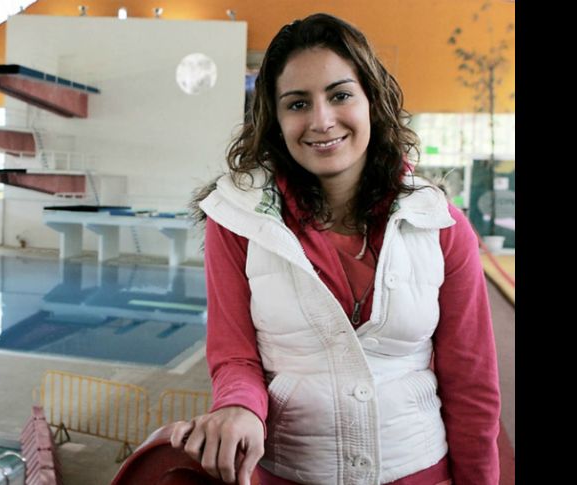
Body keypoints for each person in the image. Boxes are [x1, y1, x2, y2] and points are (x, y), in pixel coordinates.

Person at [170, 12, 501, 485]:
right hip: (291, 473)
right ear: (275, 119)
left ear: (372, 101)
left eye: (340, 95)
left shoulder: (440, 224)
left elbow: (471, 382)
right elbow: (235, 356)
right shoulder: (238, 222)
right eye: (297, 103)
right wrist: (238, 406)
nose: (321, 121)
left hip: (419, 471)